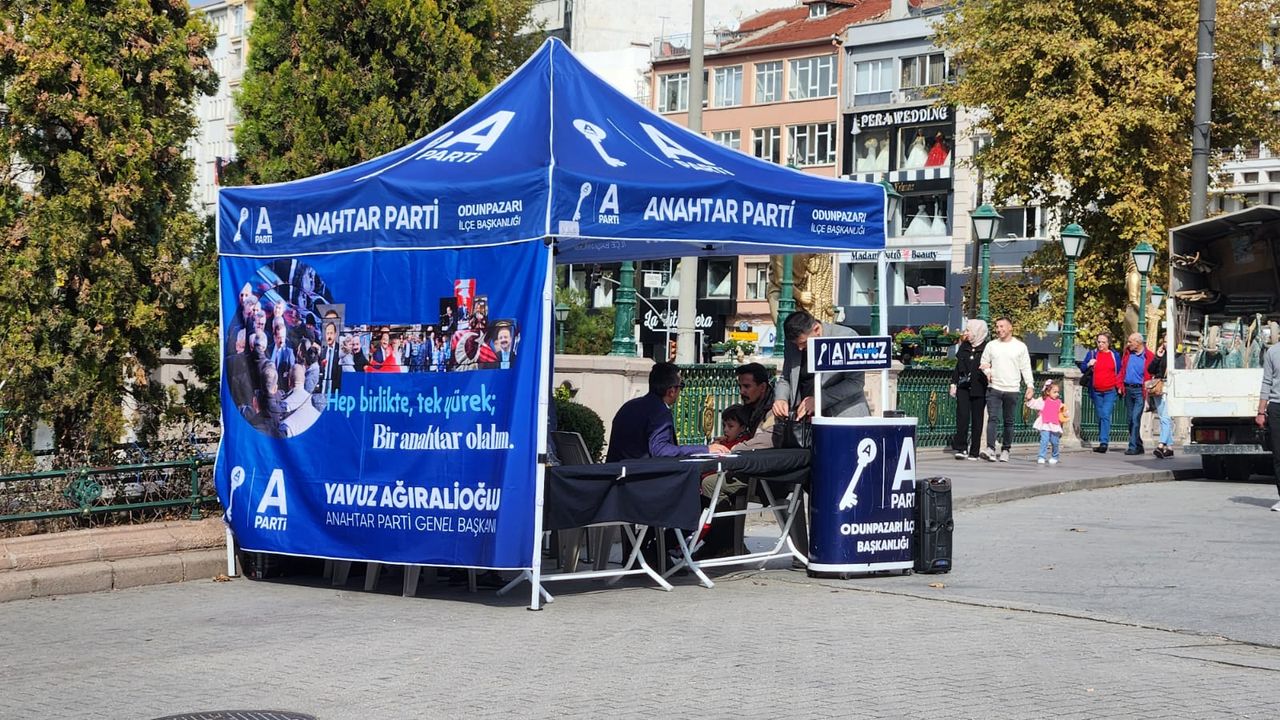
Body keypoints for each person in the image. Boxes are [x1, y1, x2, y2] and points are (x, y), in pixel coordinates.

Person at [606, 362, 729, 461]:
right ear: (671, 391)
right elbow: (661, 450)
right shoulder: (660, 412)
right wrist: (705, 449)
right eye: (681, 386)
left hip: (616, 478)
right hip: (642, 482)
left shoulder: (629, 406)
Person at [772, 310, 869, 421]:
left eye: (804, 343)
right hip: (804, 420)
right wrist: (781, 398)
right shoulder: (792, 343)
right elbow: (786, 378)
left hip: (843, 415)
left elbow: (855, 382)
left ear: (817, 329)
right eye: (796, 344)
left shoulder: (846, 337)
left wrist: (818, 400)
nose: (799, 348)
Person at [978, 316, 1034, 462]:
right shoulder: (991, 345)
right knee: (993, 418)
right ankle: (990, 448)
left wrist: (1030, 385)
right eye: (997, 326)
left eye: (1002, 326)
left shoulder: (1020, 347)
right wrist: (988, 373)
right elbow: (984, 362)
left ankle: (1006, 449)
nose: (999, 329)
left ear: (1010, 328)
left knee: (1009, 421)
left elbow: (1025, 367)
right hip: (994, 387)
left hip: (1012, 388)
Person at [949, 319, 989, 460]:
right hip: (964, 386)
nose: (966, 333)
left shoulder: (986, 348)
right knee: (962, 416)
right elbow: (958, 366)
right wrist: (953, 383)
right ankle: (961, 447)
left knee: (977, 419)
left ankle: (975, 450)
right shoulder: (964, 347)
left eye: (968, 330)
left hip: (979, 386)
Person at [1079, 333, 1123, 453]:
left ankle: (1104, 443)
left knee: (1105, 414)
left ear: (1108, 343)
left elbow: (1119, 371)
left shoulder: (1115, 356)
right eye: (1099, 342)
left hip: (1110, 390)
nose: (1100, 344)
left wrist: (1119, 386)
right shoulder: (1092, 354)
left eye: (1103, 342)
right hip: (1096, 390)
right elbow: (1082, 368)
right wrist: (1089, 364)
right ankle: (1102, 440)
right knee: (1100, 416)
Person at [1254, 337, 1280, 511]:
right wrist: (1261, 412)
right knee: (1278, 455)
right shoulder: (1273, 352)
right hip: (1277, 408)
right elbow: (1266, 382)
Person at [1118, 332, 1154, 456]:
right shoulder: (1128, 354)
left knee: (1135, 419)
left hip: (1140, 391)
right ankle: (1139, 445)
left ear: (1138, 343)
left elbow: (1152, 372)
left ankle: (1132, 446)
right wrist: (1120, 385)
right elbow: (1122, 370)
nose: (1128, 344)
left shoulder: (1148, 356)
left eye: (1130, 342)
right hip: (1128, 389)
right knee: (1129, 420)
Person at [733, 362, 777, 451]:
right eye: (740, 387)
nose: (742, 391)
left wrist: (734, 448)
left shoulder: (774, 410)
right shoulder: (748, 409)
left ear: (762, 387)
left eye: (747, 386)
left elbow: (769, 439)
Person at [1026, 379, 1067, 465]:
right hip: (1045, 424)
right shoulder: (1043, 400)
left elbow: (1064, 411)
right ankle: (1041, 456)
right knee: (1044, 440)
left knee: (1055, 441)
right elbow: (1034, 404)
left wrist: (1065, 413)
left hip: (1055, 425)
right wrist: (1029, 399)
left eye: (1057, 392)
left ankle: (1055, 456)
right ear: (1048, 392)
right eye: (1054, 392)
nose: (1057, 394)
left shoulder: (1059, 402)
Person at [1147, 340, 1174, 458]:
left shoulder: (1176, 355)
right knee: (1164, 416)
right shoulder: (1162, 355)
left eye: (1168, 341)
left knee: (1165, 417)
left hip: (1169, 388)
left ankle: (1161, 444)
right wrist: (1158, 356)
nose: (1166, 344)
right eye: (1164, 341)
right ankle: (1170, 447)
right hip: (1159, 388)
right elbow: (1150, 370)